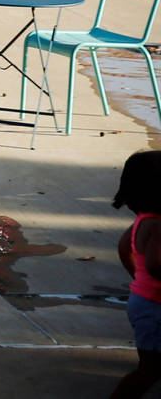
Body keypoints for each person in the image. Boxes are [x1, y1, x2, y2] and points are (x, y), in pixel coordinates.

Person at [112, 151, 161, 398]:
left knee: (152, 369)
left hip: (146, 302)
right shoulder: (159, 224)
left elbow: (124, 247)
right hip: (155, 309)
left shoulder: (146, 218)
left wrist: (139, 281)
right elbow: (156, 264)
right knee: (150, 371)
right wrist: (146, 281)